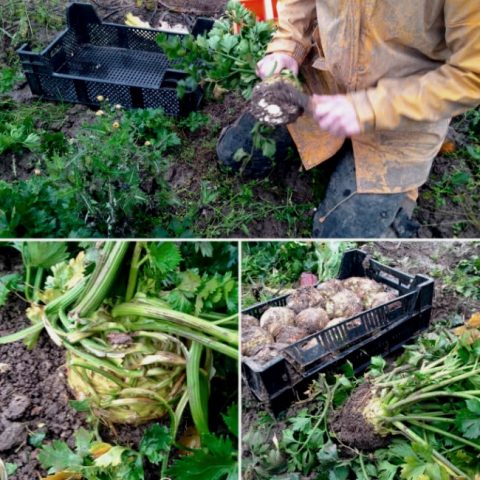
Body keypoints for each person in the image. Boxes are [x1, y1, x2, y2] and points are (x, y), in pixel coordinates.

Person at [217, 0, 480, 238]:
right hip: (327, 78)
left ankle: (402, 195)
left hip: (405, 113)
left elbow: (472, 77)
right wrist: (288, 45)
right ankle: (338, 146)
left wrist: (369, 108)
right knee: (235, 155)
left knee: (338, 236)